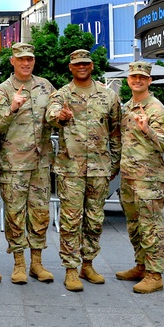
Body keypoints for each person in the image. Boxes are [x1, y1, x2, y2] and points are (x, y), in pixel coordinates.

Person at [45, 49, 122, 292]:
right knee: (70, 220)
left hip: (99, 169)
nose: (81, 67)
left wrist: (114, 163)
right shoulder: (62, 94)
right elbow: (51, 115)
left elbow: (116, 132)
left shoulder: (109, 96)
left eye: (85, 63)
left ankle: (88, 264)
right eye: (77, 64)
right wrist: (61, 116)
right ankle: (70, 269)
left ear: (91, 65)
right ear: (71, 67)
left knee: (95, 220)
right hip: (71, 170)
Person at [0, 42, 55, 284]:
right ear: (12, 61)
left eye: (29, 59)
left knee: (40, 213)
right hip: (14, 164)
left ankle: (37, 263)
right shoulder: (3, 90)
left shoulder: (45, 86)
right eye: (21, 59)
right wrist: (12, 108)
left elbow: (56, 112)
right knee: (15, 214)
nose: (26, 63)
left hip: (40, 162)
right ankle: (19, 263)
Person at [116, 61, 164, 294]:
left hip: (149, 179)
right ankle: (141, 265)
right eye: (134, 77)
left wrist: (148, 130)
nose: (137, 81)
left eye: (142, 78)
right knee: (134, 225)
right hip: (129, 177)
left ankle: (155, 274)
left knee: (151, 226)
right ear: (128, 80)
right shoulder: (127, 107)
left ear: (149, 81)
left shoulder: (156, 108)